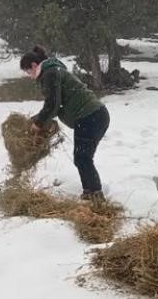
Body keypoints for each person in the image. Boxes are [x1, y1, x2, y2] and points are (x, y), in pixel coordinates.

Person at [20, 45, 110, 202]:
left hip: (89, 116)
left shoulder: (50, 73)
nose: (30, 76)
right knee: (82, 157)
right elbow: (57, 105)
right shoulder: (53, 70)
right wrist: (37, 120)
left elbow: (53, 104)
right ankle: (90, 192)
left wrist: (39, 123)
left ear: (34, 66)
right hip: (94, 115)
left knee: (82, 157)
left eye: (28, 72)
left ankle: (95, 195)